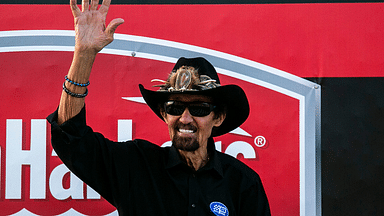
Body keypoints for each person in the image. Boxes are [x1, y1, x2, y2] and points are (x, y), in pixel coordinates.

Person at [47, 0, 271, 215]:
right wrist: (84, 55)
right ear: (164, 114)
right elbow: (71, 138)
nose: (185, 118)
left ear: (219, 117)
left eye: (199, 109)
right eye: (174, 108)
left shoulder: (243, 184)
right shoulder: (135, 168)